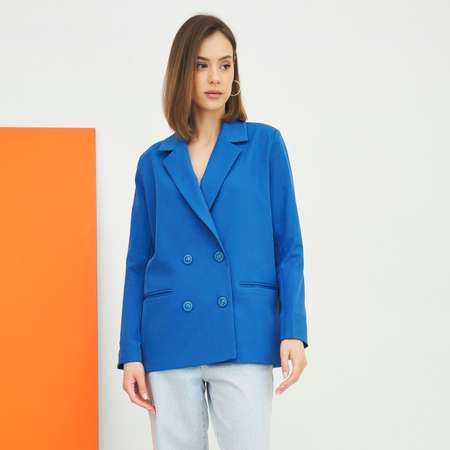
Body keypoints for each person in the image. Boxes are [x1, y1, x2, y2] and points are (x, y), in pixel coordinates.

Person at [117, 13, 309, 450]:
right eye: (201, 65)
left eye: (225, 64)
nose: (215, 77)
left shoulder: (264, 144)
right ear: (181, 72)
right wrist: (131, 351)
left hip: (245, 329)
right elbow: (137, 263)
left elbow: (289, 246)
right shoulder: (154, 162)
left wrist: (293, 329)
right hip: (169, 336)